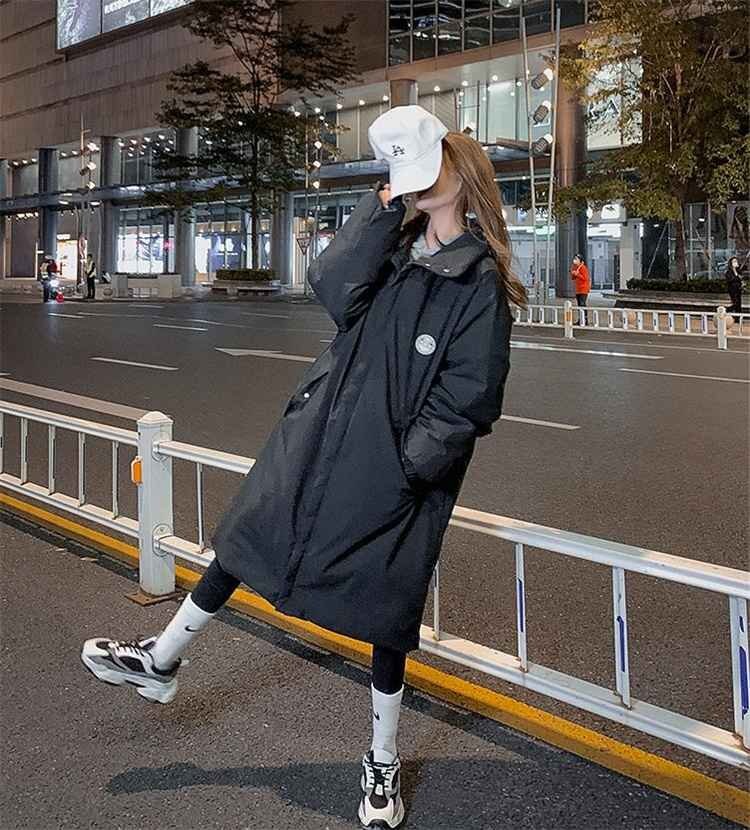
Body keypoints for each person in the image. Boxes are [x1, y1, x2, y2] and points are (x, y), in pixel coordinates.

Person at [81, 105, 525, 829]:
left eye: (423, 173)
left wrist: (407, 467)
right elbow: (331, 284)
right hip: (321, 436)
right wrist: (382, 208)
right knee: (251, 536)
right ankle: (161, 661)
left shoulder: (475, 279)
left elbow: (469, 397)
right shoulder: (394, 247)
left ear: (459, 170)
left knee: (386, 609)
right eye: (404, 177)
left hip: (393, 469)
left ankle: (382, 758)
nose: (414, 186)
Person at [570, 254, 590, 324]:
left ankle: (585, 320)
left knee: (582, 304)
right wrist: (573, 273)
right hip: (578, 289)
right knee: (579, 305)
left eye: (576, 259)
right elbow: (573, 278)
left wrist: (577, 274)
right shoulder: (576, 267)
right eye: (574, 258)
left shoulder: (583, 268)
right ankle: (580, 319)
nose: (574, 260)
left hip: (583, 289)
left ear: (580, 260)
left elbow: (585, 278)